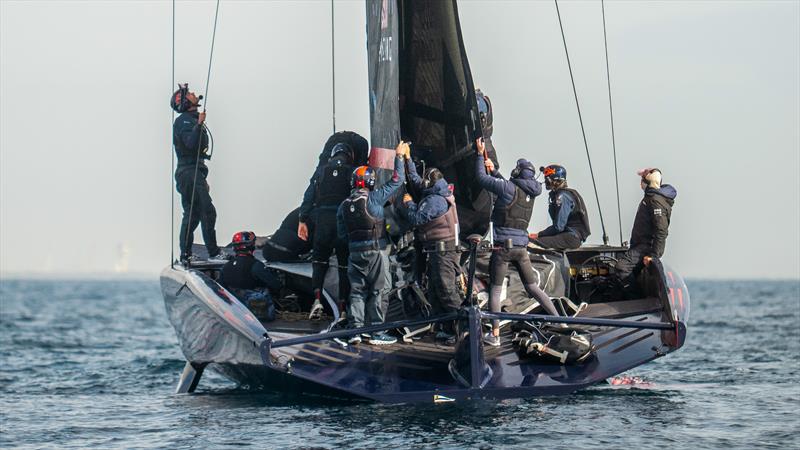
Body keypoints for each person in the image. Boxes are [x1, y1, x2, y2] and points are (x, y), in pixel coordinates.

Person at [474, 138, 562, 347]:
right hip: (521, 249)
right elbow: (509, 189)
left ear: (517, 172)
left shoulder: (507, 187)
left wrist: (479, 154)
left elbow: (480, 178)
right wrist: (494, 171)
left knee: (495, 290)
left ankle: (494, 336)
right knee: (533, 287)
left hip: (503, 248)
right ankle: (561, 321)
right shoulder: (530, 193)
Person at [337, 141, 409, 345]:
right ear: (370, 182)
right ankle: (377, 331)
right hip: (375, 252)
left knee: (357, 292)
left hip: (354, 254)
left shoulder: (343, 206)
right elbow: (398, 180)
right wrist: (399, 157)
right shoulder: (375, 199)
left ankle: (356, 331)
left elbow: (342, 235)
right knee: (378, 291)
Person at [400, 160, 462, 342]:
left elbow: (417, 218)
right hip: (437, 250)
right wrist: (408, 160)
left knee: (446, 290)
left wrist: (409, 203)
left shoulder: (435, 201)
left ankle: (464, 329)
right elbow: (418, 181)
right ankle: (448, 329)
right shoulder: (438, 190)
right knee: (435, 291)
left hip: (443, 251)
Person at [298, 143, 354, 319]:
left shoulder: (321, 171)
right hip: (342, 223)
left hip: (323, 222)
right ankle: (343, 308)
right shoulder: (352, 171)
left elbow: (309, 196)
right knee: (344, 266)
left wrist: (302, 219)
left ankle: (317, 300)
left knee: (319, 262)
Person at [171, 83, 223, 263]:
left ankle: (185, 254)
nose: (194, 93)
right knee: (207, 211)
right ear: (185, 101)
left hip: (193, 173)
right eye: (190, 93)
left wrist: (202, 177)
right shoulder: (184, 121)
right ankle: (214, 253)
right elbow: (190, 144)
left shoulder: (190, 119)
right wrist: (198, 124)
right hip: (188, 173)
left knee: (193, 214)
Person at [616, 168, 677, 294]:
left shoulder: (655, 200)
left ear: (648, 183)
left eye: (642, 180)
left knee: (621, 268)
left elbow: (661, 230)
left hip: (645, 246)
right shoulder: (651, 198)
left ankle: (635, 301)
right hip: (638, 246)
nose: (640, 183)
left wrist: (654, 256)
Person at [220, 231, 283, 321]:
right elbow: (276, 284)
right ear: (251, 246)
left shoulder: (225, 267)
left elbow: (221, 287)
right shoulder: (256, 265)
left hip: (236, 313)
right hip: (257, 315)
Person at [530, 165, 591, 250]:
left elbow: (558, 227)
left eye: (547, 179)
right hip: (569, 235)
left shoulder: (563, 197)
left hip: (571, 237)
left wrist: (538, 235)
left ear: (555, 180)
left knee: (531, 244)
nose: (545, 182)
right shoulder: (565, 194)